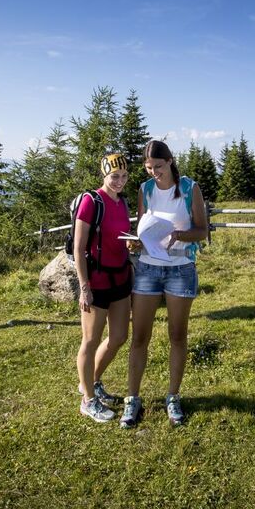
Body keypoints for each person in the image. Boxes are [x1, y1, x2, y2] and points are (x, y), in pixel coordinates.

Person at [120, 140, 208, 428]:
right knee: (139, 336)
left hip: (181, 269)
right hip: (147, 268)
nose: (154, 172)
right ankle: (132, 399)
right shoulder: (145, 190)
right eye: (148, 168)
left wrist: (178, 236)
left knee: (177, 335)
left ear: (170, 161)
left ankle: (173, 396)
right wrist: (135, 243)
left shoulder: (189, 187)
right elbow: (141, 228)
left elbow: (202, 231)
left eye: (158, 166)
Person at [75, 153, 132, 423]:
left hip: (120, 279)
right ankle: (87, 400)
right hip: (96, 283)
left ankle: (93, 382)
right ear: (104, 175)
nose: (119, 181)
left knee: (119, 336)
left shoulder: (123, 203)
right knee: (90, 340)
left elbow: (118, 239)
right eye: (114, 176)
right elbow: (78, 247)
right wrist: (83, 286)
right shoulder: (91, 201)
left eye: (123, 176)